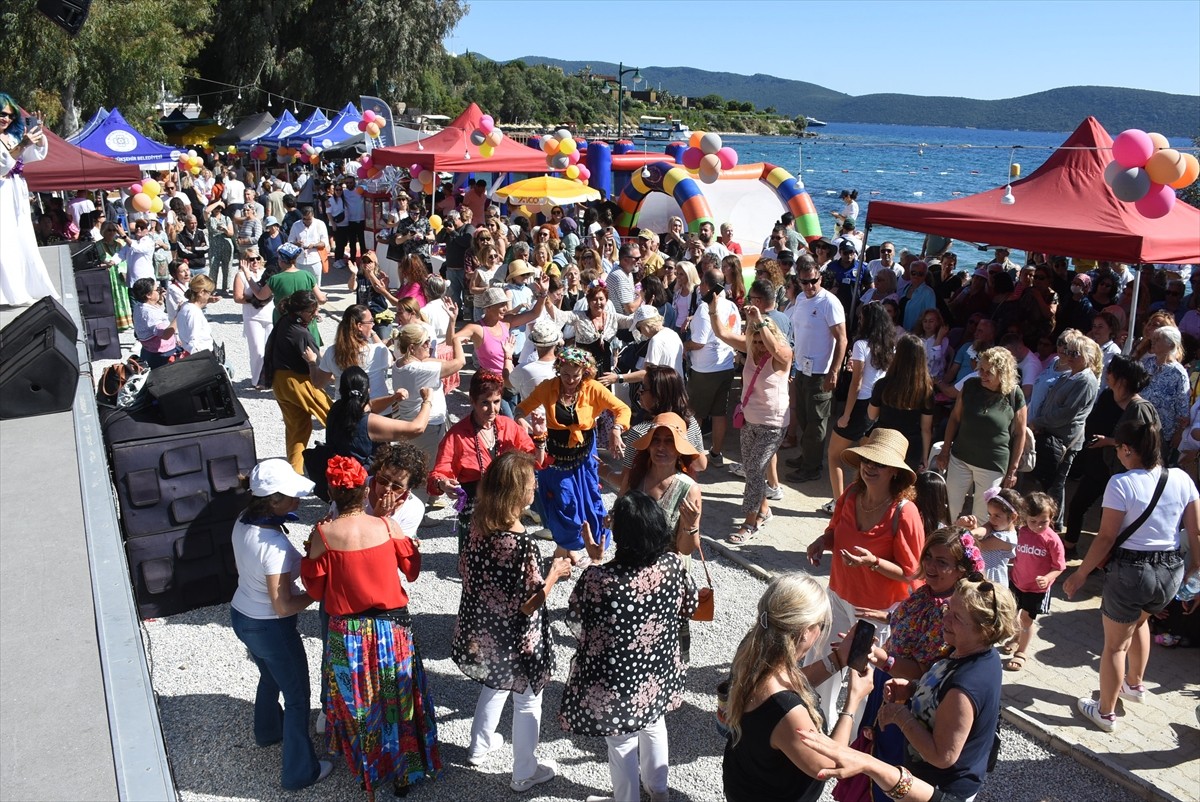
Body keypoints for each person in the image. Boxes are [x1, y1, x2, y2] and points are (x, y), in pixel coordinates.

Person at [301, 456, 442, 796]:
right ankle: (405, 772)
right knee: (399, 700)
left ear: (332, 491)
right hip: (391, 628)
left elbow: (315, 588)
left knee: (357, 705)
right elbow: (411, 570)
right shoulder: (387, 526)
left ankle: (368, 770)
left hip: (344, 632)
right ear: (365, 487)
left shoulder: (322, 532)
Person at [559, 492, 698, 802]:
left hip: (616, 676)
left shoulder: (599, 578)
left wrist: (596, 561)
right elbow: (688, 605)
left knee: (621, 743)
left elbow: (578, 621)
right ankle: (658, 790)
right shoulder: (673, 566)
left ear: (621, 534)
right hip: (657, 668)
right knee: (654, 723)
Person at [1063, 419, 1200, 733]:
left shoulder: (1121, 484)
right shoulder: (1181, 477)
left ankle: (1105, 712)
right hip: (1170, 571)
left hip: (1131, 572)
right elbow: (1197, 532)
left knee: (1114, 647)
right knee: (1141, 622)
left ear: (1126, 449)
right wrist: (1195, 572)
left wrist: (1081, 574)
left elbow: (1106, 538)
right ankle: (1135, 686)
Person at [453, 450, 572, 793]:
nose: (536, 484)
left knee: (494, 681)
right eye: (530, 481)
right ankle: (524, 772)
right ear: (517, 492)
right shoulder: (520, 545)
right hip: (519, 635)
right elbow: (529, 603)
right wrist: (555, 573)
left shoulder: (476, 523)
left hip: (485, 627)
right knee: (528, 699)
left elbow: (466, 572)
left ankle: (479, 745)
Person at [805, 428, 925, 728]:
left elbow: (912, 572)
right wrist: (823, 543)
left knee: (863, 680)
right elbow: (835, 532)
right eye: (867, 460)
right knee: (821, 667)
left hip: (876, 613)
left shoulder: (904, 512)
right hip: (838, 596)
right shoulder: (851, 494)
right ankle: (815, 725)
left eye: (880, 463)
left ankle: (855, 739)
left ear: (895, 472)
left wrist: (874, 563)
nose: (870, 467)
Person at [722, 572, 872, 802]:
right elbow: (828, 764)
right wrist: (852, 701)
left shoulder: (752, 653)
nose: (822, 631)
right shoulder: (787, 711)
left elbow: (784, 681)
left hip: (746, 783)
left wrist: (838, 660)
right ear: (805, 631)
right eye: (821, 625)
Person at [228, 459, 332, 790]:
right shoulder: (273, 548)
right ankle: (300, 771)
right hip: (271, 628)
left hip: (241, 615)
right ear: (273, 500)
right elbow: (283, 605)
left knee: (269, 676)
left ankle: (269, 730)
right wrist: (317, 592)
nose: (298, 502)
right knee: (298, 697)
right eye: (291, 497)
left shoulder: (244, 520)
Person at [877, 576, 1017, 801]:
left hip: (939, 790)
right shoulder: (975, 652)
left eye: (957, 617)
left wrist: (901, 716)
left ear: (985, 631)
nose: (945, 619)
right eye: (948, 609)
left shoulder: (964, 688)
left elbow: (944, 756)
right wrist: (915, 688)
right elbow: (942, 694)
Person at [516, 348, 631, 557]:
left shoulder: (593, 388)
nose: (570, 380)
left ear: (585, 372)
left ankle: (593, 547)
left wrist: (616, 429)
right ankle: (564, 549)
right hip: (555, 459)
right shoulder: (547, 388)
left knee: (590, 501)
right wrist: (523, 424)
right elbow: (520, 409)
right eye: (565, 374)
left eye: (576, 375)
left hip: (584, 457)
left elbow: (623, 409)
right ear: (558, 370)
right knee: (563, 502)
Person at [708, 300, 792, 543]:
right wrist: (713, 309)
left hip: (773, 423)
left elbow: (775, 348)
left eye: (761, 341)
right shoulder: (751, 347)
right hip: (748, 420)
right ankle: (764, 509)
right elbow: (722, 333)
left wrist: (759, 321)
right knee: (754, 470)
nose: (758, 346)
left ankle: (750, 522)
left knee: (753, 469)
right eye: (754, 341)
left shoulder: (783, 353)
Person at [427, 371, 539, 551]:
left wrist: (540, 439)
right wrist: (443, 483)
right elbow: (440, 471)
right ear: (472, 401)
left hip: (506, 504)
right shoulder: (457, 435)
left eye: (496, 402)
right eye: (485, 403)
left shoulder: (508, 426)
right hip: (474, 509)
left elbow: (534, 459)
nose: (492, 409)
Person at [1063, 354, 1160, 559]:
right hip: (1103, 467)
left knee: (1109, 522)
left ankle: (1101, 561)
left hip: (1125, 475)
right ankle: (1073, 549)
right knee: (1082, 506)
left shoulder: (1139, 408)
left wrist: (1108, 441)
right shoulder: (1113, 398)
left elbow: (1141, 445)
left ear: (1122, 379)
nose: (1107, 375)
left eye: (1111, 372)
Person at [936, 347, 1026, 519]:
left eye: (989, 372)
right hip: (960, 458)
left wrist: (1012, 471)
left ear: (1002, 373)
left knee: (983, 514)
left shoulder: (1014, 394)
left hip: (992, 465)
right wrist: (945, 451)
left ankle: (975, 545)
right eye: (981, 370)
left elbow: (1020, 434)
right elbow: (954, 418)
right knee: (949, 508)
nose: (983, 375)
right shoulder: (970, 386)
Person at [827, 302, 895, 513]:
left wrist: (846, 414)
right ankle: (869, 503)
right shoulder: (890, 345)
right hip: (878, 405)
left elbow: (856, 383)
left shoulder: (861, 345)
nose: (859, 320)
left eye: (862, 317)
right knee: (869, 460)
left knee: (833, 455)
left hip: (860, 405)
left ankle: (839, 504)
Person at [1028, 329, 1099, 530]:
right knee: (1047, 480)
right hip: (1049, 434)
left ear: (1088, 357)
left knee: (1055, 483)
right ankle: (1047, 519)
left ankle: (1054, 524)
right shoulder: (1069, 375)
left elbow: (1065, 414)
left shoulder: (1085, 380)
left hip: (1065, 440)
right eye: (1069, 351)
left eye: (1076, 353)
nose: (1069, 356)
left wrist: (1038, 422)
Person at [786, 258, 848, 483]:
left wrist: (834, 371)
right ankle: (808, 456)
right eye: (805, 282)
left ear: (820, 277)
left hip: (821, 372)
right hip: (802, 369)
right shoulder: (801, 299)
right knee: (804, 417)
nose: (810, 286)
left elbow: (842, 339)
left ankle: (812, 467)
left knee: (817, 421)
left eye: (813, 281)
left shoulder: (829, 303)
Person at [260, 290, 331, 473]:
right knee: (334, 417)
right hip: (298, 383)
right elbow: (319, 364)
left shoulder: (284, 320)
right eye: (312, 311)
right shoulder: (302, 334)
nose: (315, 314)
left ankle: (294, 472)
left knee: (297, 430)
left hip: (279, 383)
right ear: (300, 312)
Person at [0, 100, 57, 306]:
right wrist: (23, 144)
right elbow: (2, 165)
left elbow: (33, 156)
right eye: (1, 114)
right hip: (2, 192)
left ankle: (27, 287)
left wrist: (38, 136)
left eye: (9, 115)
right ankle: (7, 294)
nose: (5, 118)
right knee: (4, 241)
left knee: (22, 238)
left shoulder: (12, 136)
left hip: (16, 191)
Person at [324, 367, 433, 467]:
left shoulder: (336, 407)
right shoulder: (368, 423)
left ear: (340, 390)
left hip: (335, 477)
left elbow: (368, 406)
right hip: (362, 483)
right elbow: (416, 428)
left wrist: (393, 398)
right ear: (368, 391)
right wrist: (427, 400)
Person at [686, 269, 741, 463]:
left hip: (705, 371)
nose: (699, 287)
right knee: (719, 414)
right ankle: (716, 454)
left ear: (707, 285)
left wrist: (683, 345)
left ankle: (693, 457)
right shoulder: (732, 306)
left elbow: (699, 342)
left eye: (701, 283)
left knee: (695, 415)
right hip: (725, 367)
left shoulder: (704, 307)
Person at [390, 322, 465, 454]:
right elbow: (460, 362)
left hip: (410, 423)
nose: (429, 345)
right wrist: (456, 340)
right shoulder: (420, 369)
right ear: (412, 348)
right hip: (430, 426)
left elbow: (427, 361)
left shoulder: (398, 364)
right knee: (431, 467)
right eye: (425, 342)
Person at [869, 334, 935, 472]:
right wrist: (924, 456)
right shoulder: (926, 390)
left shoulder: (883, 385)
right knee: (903, 490)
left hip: (884, 443)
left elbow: (871, 415)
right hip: (910, 448)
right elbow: (926, 428)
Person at [253, 242, 327, 346]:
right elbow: (321, 299)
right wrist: (324, 298)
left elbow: (261, 296)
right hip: (306, 322)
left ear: (282, 260)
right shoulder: (307, 275)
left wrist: (249, 279)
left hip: (284, 323)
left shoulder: (275, 279)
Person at [310, 304, 390, 399]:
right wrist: (372, 333)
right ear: (360, 326)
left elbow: (318, 384)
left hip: (345, 408)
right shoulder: (378, 351)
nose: (373, 324)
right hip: (378, 408)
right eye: (371, 321)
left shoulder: (331, 352)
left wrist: (311, 362)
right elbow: (385, 352)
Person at [956, 487, 1021, 588]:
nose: (991, 519)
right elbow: (982, 532)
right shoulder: (995, 525)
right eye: (989, 514)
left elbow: (979, 545)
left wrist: (963, 533)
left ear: (1012, 517)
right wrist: (972, 528)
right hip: (982, 575)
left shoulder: (1007, 539)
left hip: (993, 581)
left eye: (997, 515)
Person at [1140, 325, 1190, 453]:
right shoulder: (1146, 363)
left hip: (1162, 432)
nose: (1153, 341)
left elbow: (1183, 407)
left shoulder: (1178, 373)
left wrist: (1179, 433)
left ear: (1171, 345)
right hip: (1139, 425)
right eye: (1153, 338)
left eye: (1158, 339)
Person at [233, 248, 275, 389]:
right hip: (252, 317)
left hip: (269, 315)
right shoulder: (241, 275)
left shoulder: (266, 273)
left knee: (271, 349)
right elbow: (238, 297)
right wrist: (256, 299)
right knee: (257, 349)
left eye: (257, 258)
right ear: (245, 261)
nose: (255, 261)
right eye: (251, 259)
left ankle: (271, 378)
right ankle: (257, 380)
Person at [130, 278, 180, 368]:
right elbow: (165, 335)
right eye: (157, 289)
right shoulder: (150, 314)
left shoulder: (139, 306)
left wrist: (159, 299)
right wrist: (178, 315)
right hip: (162, 355)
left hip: (148, 351)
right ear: (149, 295)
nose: (160, 291)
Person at [287, 204, 330, 285]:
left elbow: (324, 243)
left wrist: (314, 245)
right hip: (300, 260)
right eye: (304, 219)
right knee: (301, 284)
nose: (306, 221)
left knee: (316, 284)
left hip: (315, 260)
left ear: (313, 215)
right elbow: (290, 241)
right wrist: (296, 243)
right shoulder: (296, 225)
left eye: (309, 219)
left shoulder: (320, 224)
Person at [174, 274, 217, 355]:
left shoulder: (185, 306)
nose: (210, 295)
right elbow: (194, 341)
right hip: (200, 355)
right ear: (201, 292)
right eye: (210, 292)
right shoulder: (194, 312)